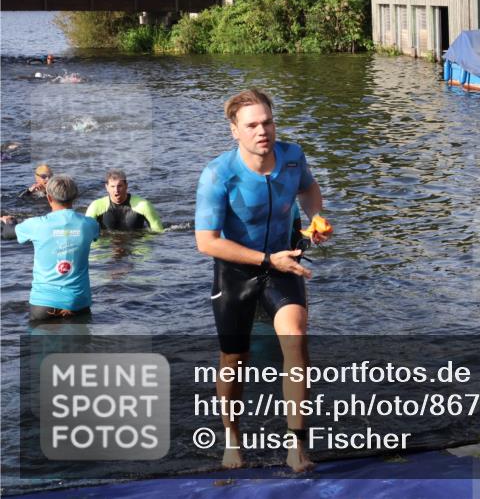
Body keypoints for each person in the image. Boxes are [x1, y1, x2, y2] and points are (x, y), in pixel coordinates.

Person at [195, 88, 331, 472]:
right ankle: (232, 439)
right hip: (236, 269)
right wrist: (266, 258)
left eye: (267, 122)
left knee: (296, 338)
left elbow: (309, 189)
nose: (262, 131)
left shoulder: (292, 157)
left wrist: (315, 218)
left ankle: (296, 445)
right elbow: (206, 242)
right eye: (252, 124)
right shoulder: (218, 174)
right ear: (234, 130)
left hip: (284, 262)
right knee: (233, 360)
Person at [15, 175, 100, 321]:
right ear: (75, 197)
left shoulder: (36, 225)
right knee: (80, 344)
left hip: (43, 304)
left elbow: (11, 232)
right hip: (78, 303)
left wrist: (7, 221)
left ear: (49, 198)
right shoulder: (90, 224)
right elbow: (94, 235)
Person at [85, 169, 164, 233]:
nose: (116, 190)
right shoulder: (96, 206)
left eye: (119, 186)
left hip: (135, 246)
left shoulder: (143, 205)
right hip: (108, 248)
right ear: (107, 187)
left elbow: (158, 232)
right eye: (112, 186)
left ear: (126, 186)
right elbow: (86, 233)